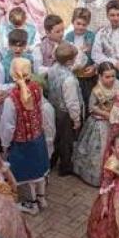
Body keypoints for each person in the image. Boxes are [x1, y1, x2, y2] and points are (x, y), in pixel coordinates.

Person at [0, 57, 54, 214]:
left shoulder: (11, 99)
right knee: (39, 170)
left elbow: (8, 126)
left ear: (13, 75)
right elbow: (40, 109)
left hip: (21, 142)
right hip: (38, 137)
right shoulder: (37, 88)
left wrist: (5, 144)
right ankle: (41, 198)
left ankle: (31, 204)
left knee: (28, 174)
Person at [74, 62, 119, 186]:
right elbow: (92, 107)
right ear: (100, 76)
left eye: (113, 76)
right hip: (100, 124)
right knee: (100, 151)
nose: (111, 79)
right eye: (107, 77)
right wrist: (106, 114)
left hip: (117, 122)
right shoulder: (97, 90)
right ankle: (98, 177)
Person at [45, 42, 83, 176]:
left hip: (54, 107)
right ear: (69, 61)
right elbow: (72, 102)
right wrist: (76, 119)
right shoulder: (69, 80)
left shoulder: (52, 69)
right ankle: (65, 166)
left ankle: (51, 161)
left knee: (56, 136)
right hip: (66, 113)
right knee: (66, 140)